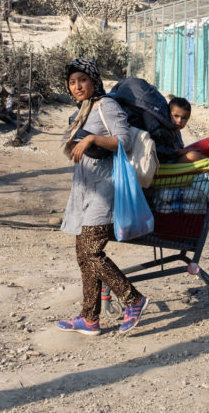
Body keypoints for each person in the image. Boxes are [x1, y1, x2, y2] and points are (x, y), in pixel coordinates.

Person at [57, 57, 150, 334]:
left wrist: (92, 139)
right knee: (83, 256)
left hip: (106, 190)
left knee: (91, 252)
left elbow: (124, 141)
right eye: (72, 82)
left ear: (94, 80)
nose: (77, 86)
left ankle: (133, 299)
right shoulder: (82, 111)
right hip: (85, 189)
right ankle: (89, 318)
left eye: (82, 80)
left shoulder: (106, 105)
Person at [165, 97, 208, 163]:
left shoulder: (176, 129)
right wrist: (186, 151)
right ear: (168, 114)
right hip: (169, 164)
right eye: (176, 116)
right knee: (193, 156)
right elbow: (167, 151)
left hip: (177, 159)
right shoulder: (165, 130)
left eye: (184, 118)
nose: (179, 121)